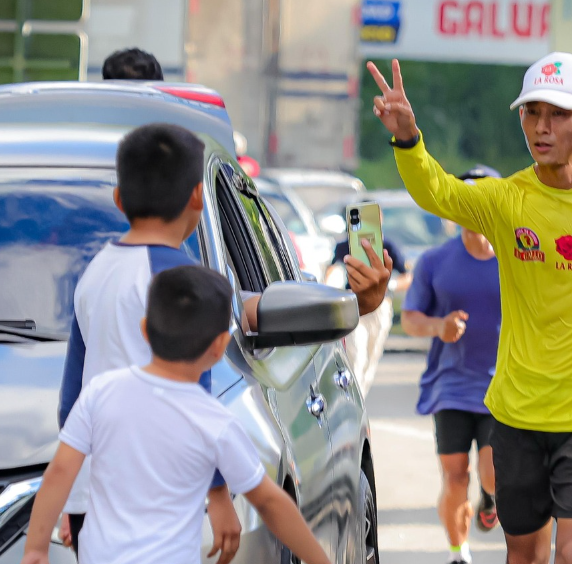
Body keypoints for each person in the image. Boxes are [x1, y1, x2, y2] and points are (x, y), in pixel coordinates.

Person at [366, 52, 572, 564]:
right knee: (524, 554)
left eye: (558, 114)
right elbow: (437, 191)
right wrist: (408, 139)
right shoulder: (506, 200)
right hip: (519, 411)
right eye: (532, 113)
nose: (541, 128)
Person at [58, 123, 392, 557]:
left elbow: (71, 400)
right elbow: (191, 391)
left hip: (97, 496)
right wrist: (217, 495)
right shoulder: (185, 284)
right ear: (198, 197)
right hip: (165, 491)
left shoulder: (92, 276)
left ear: (120, 201)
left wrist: (71, 498)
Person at [22, 265, 332, 564]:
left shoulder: (99, 393)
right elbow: (269, 501)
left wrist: (36, 548)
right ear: (219, 346)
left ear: (144, 330)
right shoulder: (214, 422)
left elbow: (60, 473)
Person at [401, 164, 503, 564]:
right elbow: (410, 319)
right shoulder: (434, 261)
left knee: (493, 472)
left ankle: (492, 496)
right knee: (455, 475)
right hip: (451, 386)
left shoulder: (517, 257)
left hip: (503, 387)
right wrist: (438, 326)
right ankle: (459, 555)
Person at [332, 229, 408, 395]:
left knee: (371, 359)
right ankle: (354, 397)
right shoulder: (344, 246)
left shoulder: (387, 246)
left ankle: (360, 398)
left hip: (380, 307)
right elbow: (332, 269)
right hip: (353, 305)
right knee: (356, 355)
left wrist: (389, 286)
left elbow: (407, 276)